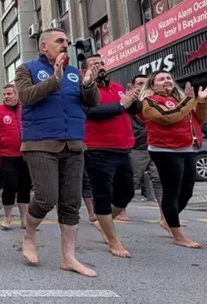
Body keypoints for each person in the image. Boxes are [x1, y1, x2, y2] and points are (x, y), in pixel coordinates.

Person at [13, 29, 98, 277]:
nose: (65, 45)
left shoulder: (74, 72)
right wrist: (54, 79)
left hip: (73, 143)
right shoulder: (26, 69)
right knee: (46, 197)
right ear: (43, 46)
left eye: (66, 41)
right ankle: (29, 234)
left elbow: (92, 103)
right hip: (40, 143)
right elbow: (26, 96)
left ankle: (68, 257)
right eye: (59, 41)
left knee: (71, 202)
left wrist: (89, 84)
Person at [140, 71, 207, 248]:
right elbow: (167, 117)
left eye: (168, 78)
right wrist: (189, 100)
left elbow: (200, 118)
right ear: (152, 85)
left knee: (187, 190)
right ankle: (178, 235)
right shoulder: (149, 101)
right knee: (171, 191)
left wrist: (202, 100)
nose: (167, 81)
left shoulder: (180, 100)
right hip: (165, 149)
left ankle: (168, 219)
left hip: (187, 147)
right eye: (161, 79)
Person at [81, 54, 141, 259]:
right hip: (97, 149)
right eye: (94, 64)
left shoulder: (116, 87)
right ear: (85, 70)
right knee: (103, 195)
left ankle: (103, 222)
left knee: (126, 193)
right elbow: (90, 111)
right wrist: (121, 105)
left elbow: (134, 110)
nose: (99, 66)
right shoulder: (85, 88)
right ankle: (113, 241)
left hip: (122, 147)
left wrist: (134, 97)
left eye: (101, 63)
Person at [0, 84, 32, 230]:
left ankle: (24, 219)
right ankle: (7, 217)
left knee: (25, 188)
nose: (6, 97)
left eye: (9, 94)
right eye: (4, 94)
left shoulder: (26, 109)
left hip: (26, 155)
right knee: (10, 187)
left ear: (16, 94)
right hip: (7, 156)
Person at [128, 73, 167, 229]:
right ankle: (118, 212)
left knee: (160, 181)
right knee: (131, 181)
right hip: (137, 148)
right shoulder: (129, 101)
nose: (142, 86)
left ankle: (166, 218)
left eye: (145, 83)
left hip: (156, 146)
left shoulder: (155, 101)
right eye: (139, 83)